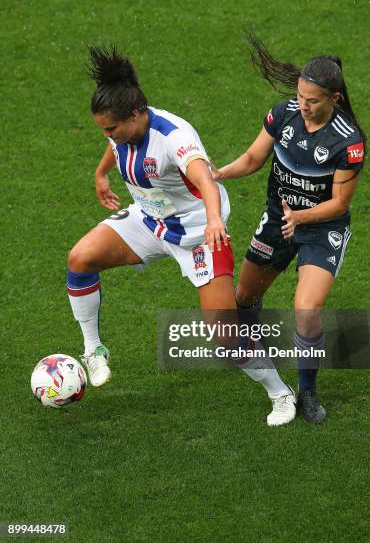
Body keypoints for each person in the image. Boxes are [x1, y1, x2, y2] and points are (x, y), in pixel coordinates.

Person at [66, 45, 296, 426]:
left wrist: (213, 221)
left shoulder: (174, 136)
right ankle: (93, 349)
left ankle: (280, 392)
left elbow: (204, 179)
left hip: (199, 235)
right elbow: (113, 146)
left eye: (111, 129)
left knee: (224, 336)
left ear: (137, 115)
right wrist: (101, 173)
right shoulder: (121, 130)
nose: (108, 136)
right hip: (150, 222)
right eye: (103, 130)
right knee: (80, 258)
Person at [212, 35, 366, 424]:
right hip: (278, 221)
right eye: (300, 95)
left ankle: (307, 391)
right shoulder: (283, 115)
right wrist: (219, 173)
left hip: (321, 230)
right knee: (243, 297)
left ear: (334, 98)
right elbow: (252, 157)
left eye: (312, 100)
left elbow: (339, 203)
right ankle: (250, 352)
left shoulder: (348, 142)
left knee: (307, 309)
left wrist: (301, 217)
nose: (303, 104)